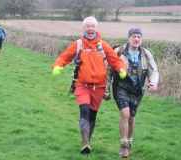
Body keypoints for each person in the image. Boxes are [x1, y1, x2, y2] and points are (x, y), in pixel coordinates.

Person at [52, 16, 127, 154]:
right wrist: (58, 65)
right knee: (84, 110)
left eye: (93, 26)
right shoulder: (78, 44)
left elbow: (115, 60)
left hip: (98, 87)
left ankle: (88, 142)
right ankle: (85, 143)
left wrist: (122, 69)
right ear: (83, 28)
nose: (90, 29)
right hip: (82, 85)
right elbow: (65, 56)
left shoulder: (103, 45)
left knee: (92, 115)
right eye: (88, 26)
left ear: (96, 28)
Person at [104, 27, 159, 158]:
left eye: (139, 37)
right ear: (129, 38)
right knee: (125, 113)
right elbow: (108, 70)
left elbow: (153, 70)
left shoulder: (146, 53)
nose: (136, 39)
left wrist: (153, 83)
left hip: (137, 89)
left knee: (132, 117)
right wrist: (105, 89)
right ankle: (123, 147)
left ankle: (129, 144)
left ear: (141, 38)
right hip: (120, 86)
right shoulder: (119, 51)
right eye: (134, 36)